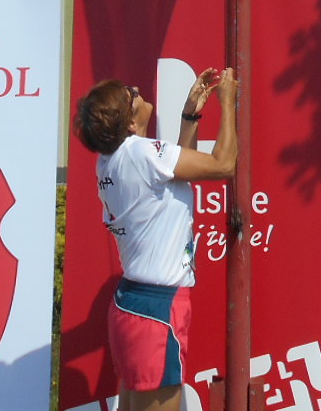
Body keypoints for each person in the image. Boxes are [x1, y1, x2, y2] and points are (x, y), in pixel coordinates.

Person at [75, 67, 237, 411]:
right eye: (131, 95)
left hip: (135, 304)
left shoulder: (114, 158)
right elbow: (223, 165)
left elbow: (177, 175)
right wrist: (229, 102)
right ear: (131, 124)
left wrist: (190, 115)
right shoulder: (141, 152)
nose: (137, 88)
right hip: (156, 308)